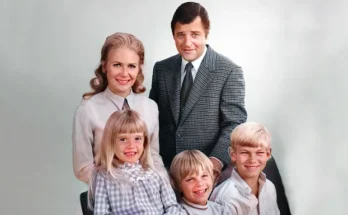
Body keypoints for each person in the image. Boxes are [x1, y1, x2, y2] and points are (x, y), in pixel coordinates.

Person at [150, 2, 291, 214]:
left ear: (206, 33)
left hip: (208, 179)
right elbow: (154, 120)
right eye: (181, 35)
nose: (188, 42)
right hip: (168, 176)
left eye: (195, 34)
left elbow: (233, 124)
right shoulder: (162, 69)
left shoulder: (228, 71)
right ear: (173, 35)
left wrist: (213, 164)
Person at [72, 32, 166, 214]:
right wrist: (121, 187)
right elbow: (82, 167)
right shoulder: (87, 110)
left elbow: (153, 157)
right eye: (117, 65)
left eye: (131, 66)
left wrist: (161, 186)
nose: (124, 73)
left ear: (139, 69)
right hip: (105, 202)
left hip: (147, 203)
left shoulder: (150, 107)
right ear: (105, 66)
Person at [88, 110, 182, 214]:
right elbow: (101, 212)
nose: (131, 145)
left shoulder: (156, 172)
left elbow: (172, 206)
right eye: (123, 139)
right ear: (111, 142)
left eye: (137, 138)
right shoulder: (104, 176)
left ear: (145, 142)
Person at [210, 122, 280, 215]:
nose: (252, 160)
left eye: (259, 152)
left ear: (268, 154)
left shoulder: (270, 187)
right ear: (233, 154)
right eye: (245, 152)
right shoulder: (225, 197)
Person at [170, 150, 229, 215]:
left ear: (212, 177)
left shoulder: (221, 210)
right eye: (190, 179)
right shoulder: (178, 212)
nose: (200, 183)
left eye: (204, 176)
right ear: (178, 185)